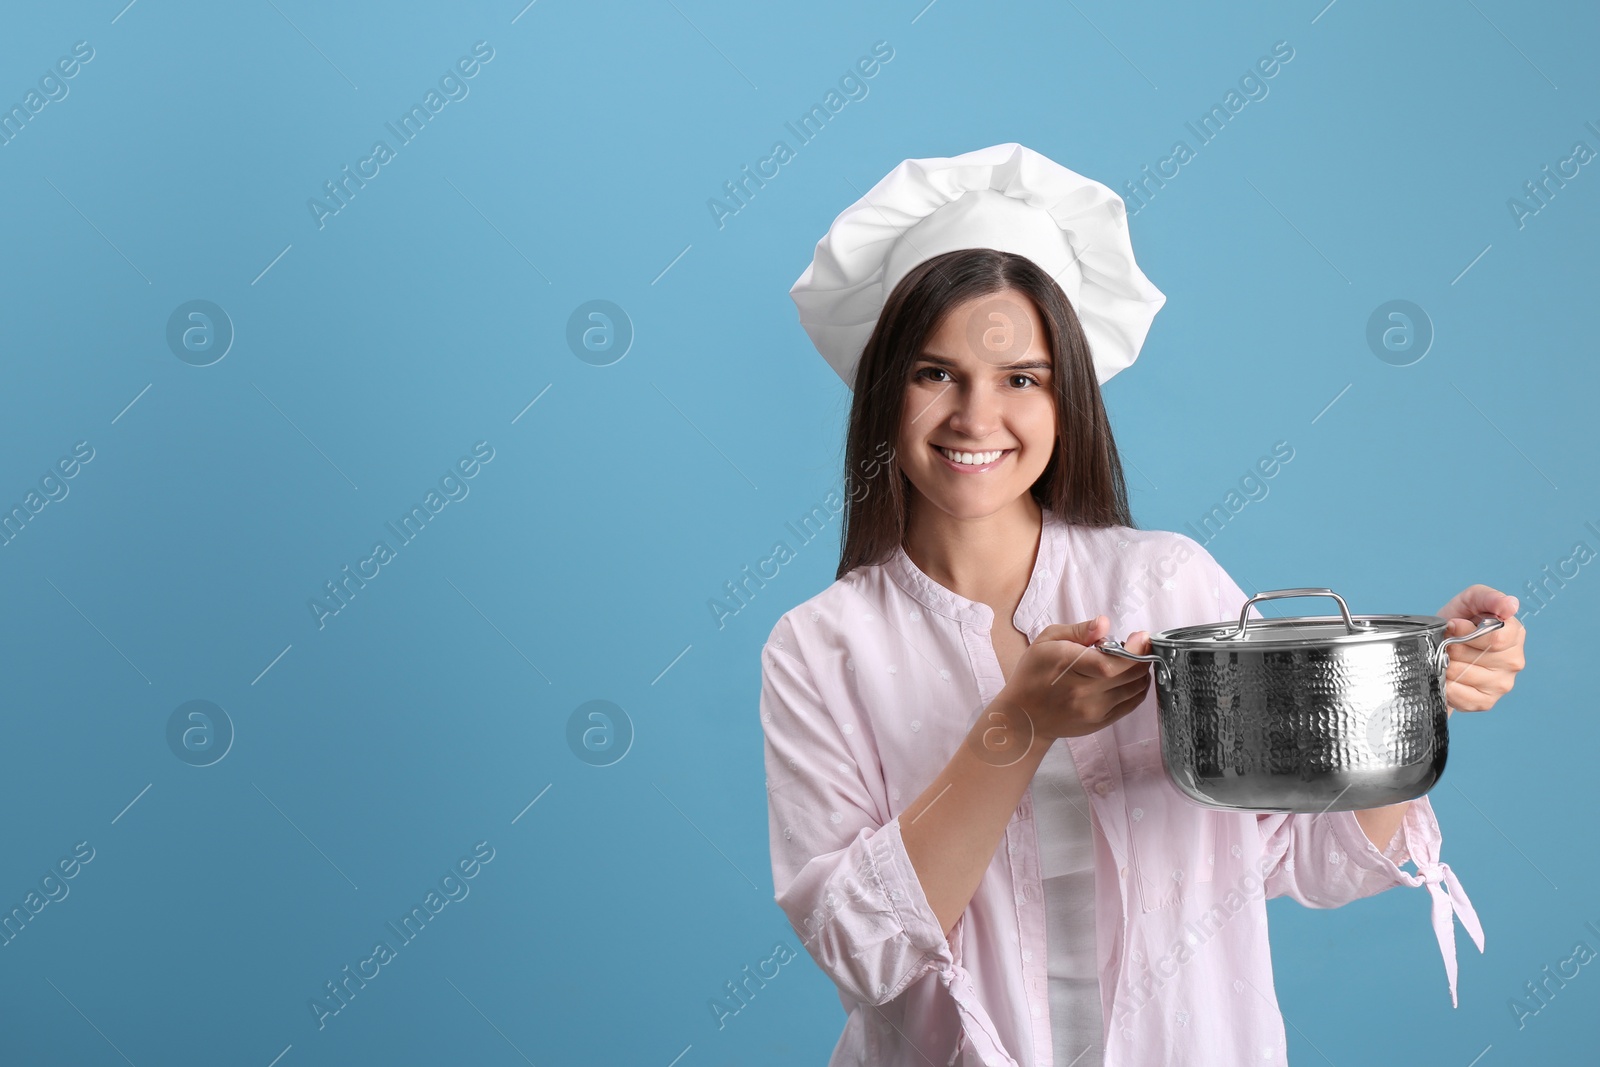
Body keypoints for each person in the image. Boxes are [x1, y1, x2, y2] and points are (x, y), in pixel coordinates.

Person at [760, 143, 1526, 1067]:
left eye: (1021, 378)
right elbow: (858, 947)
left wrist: (1400, 693)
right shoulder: (820, 648)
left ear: (1066, 395)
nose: (975, 416)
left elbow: (1304, 857)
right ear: (885, 388)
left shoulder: (1167, 584)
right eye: (935, 373)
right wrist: (1017, 726)